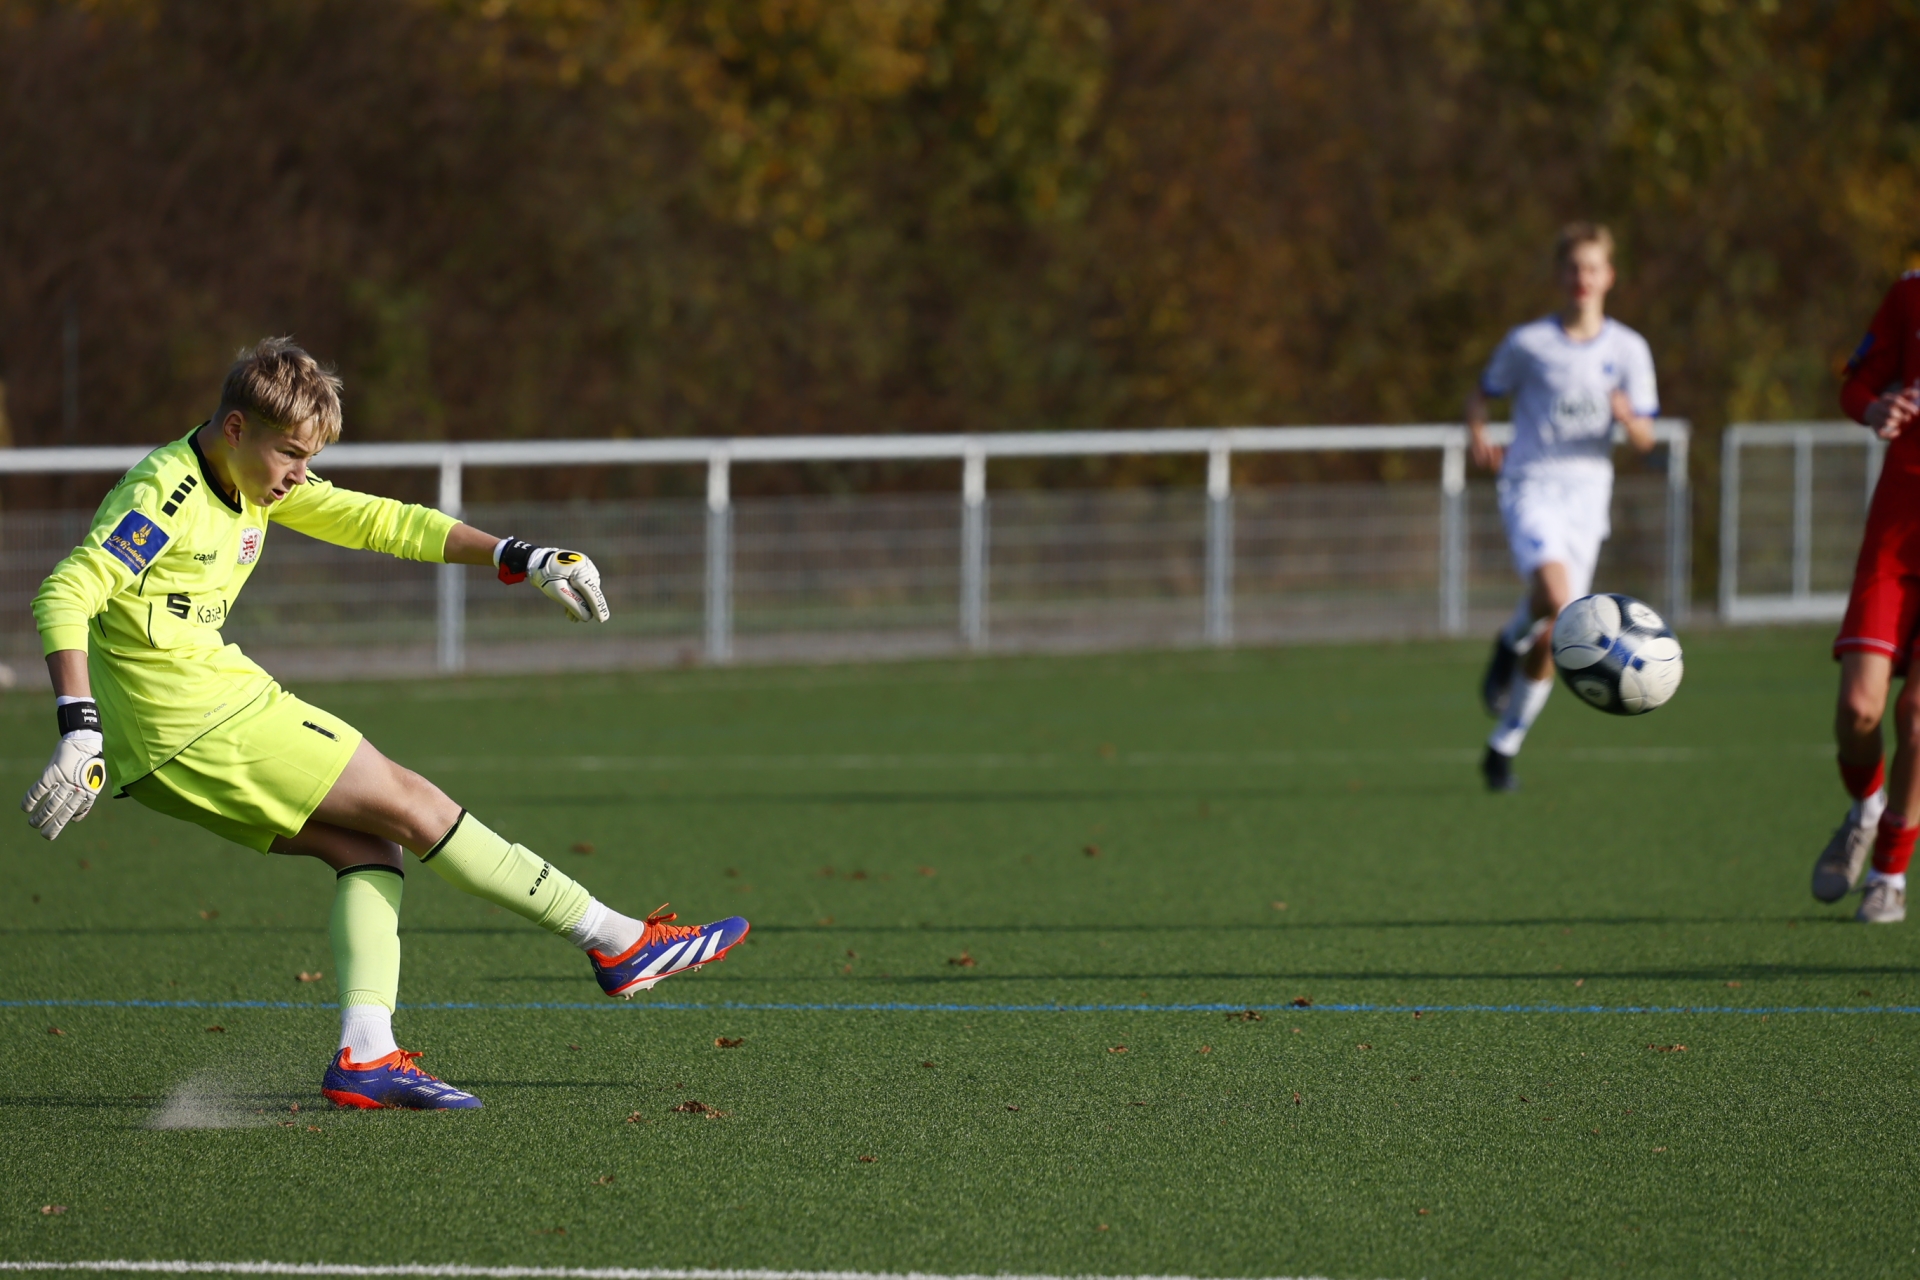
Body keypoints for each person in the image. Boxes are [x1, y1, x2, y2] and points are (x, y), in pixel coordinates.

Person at [21, 338, 750, 1108]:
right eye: (290, 454)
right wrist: (79, 724)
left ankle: (366, 1053)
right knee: (414, 803)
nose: (299, 475)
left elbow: (379, 522)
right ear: (235, 428)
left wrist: (519, 555)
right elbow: (65, 592)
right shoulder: (164, 495)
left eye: (309, 458)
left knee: (369, 849)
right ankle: (617, 941)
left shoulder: (251, 475)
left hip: (169, 742)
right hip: (195, 720)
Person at [1469, 223, 1659, 791]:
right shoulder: (1529, 343)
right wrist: (1478, 433)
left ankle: (1503, 743)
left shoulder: (1628, 349)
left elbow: (1647, 438)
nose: (1583, 278)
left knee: (1556, 630)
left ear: (1609, 276)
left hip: (1587, 496)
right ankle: (1511, 644)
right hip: (1531, 485)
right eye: (1574, 267)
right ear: (1559, 275)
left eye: (1592, 268)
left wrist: (1629, 420)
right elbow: (1482, 393)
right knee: (1561, 602)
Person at [1813, 270, 1920, 923]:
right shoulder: (1910, 294)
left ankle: (1889, 873)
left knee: (1918, 717)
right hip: (1896, 539)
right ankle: (1865, 808)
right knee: (1859, 709)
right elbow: (1855, 386)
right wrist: (1875, 409)